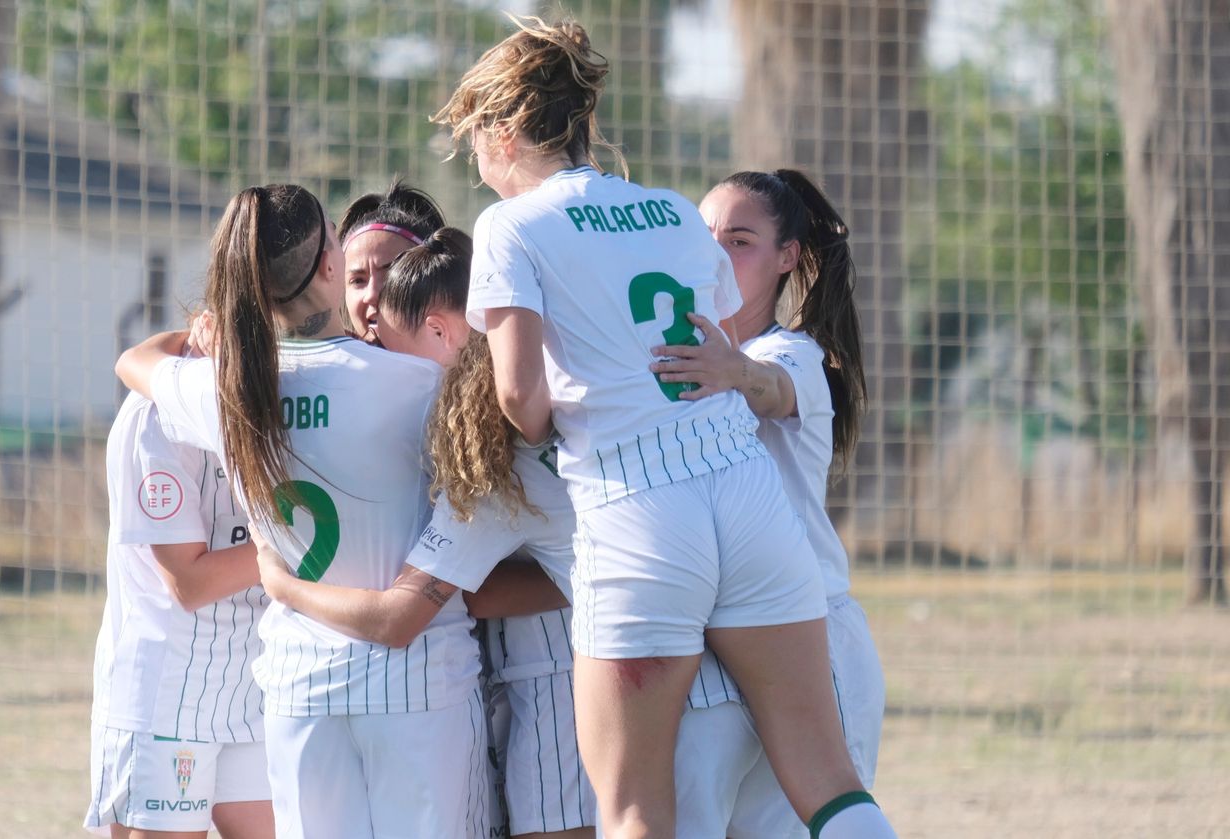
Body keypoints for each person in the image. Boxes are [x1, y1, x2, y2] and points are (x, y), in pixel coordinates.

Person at [433, 16, 898, 839]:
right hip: (747, 493)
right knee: (829, 783)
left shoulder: (512, 225)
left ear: (504, 130)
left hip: (636, 506)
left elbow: (518, 397)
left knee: (636, 810)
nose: (477, 157)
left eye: (475, 136)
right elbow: (715, 332)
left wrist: (547, 425)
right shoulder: (671, 210)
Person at [114, 184, 488, 839]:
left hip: (298, 686)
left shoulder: (226, 392)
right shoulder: (415, 384)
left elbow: (135, 361)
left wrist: (211, 330)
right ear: (328, 267)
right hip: (416, 684)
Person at [251, 227, 597, 839]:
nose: (374, 357)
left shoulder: (491, 470)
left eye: (384, 345)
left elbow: (398, 618)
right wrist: (609, 575)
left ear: (440, 330)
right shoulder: (573, 386)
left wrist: (282, 585)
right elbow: (483, 589)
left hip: (581, 669)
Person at [653, 170, 886, 839]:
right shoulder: (676, 353)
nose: (715, 252)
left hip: (813, 634)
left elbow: (770, 385)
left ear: (787, 258)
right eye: (704, 235)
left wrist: (734, 372)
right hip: (715, 636)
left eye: (741, 239)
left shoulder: (792, 353)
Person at [84, 387, 273, 839]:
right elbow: (190, 583)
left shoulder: (297, 387)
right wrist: (312, 541)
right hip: (167, 694)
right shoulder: (159, 411)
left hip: (255, 685)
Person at [337, 180, 447, 344]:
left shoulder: (483, 365)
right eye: (358, 280)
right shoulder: (325, 368)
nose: (372, 295)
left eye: (391, 275)